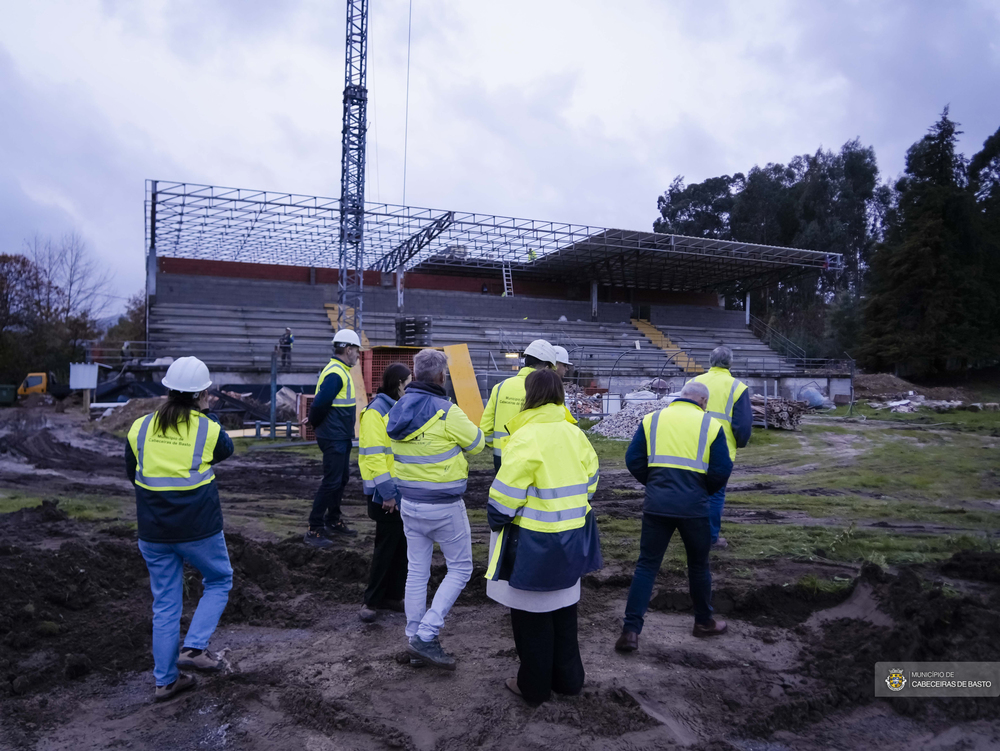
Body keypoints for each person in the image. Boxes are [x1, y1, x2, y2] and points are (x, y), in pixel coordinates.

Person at [486, 368, 602, 705]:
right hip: (573, 540)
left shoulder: (525, 436)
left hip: (533, 545)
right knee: (565, 613)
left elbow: (504, 497)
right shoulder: (575, 434)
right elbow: (591, 481)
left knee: (531, 620)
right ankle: (569, 680)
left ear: (529, 396)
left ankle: (534, 686)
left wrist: (497, 518)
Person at [125, 356, 235, 702]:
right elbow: (224, 451)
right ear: (204, 393)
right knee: (219, 579)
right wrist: (206, 415)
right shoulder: (209, 429)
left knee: (166, 604)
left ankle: (165, 681)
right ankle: (194, 647)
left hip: (153, 530)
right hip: (199, 528)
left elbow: (134, 473)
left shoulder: (139, 427)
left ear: (168, 390)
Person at [615, 381, 733, 653]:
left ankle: (630, 632)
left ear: (681, 397)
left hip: (657, 505)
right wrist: (701, 491)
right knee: (699, 566)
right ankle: (703, 622)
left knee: (646, 566)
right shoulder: (711, 425)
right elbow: (721, 470)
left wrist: (656, 485)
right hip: (694, 507)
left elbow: (633, 459)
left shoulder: (652, 420)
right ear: (703, 401)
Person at [386, 348, 485, 669]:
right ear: (442, 377)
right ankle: (426, 635)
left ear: (414, 375)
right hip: (444, 506)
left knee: (417, 571)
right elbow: (477, 444)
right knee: (460, 569)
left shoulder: (397, 410)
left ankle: (415, 638)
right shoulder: (447, 412)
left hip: (410, 504)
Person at [358, 362, 412, 623]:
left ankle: (391, 596)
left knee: (400, 545)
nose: (412, 388)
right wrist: (389, 494)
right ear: (398, 384)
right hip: (384, 494)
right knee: (386, 547)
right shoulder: (375, 413)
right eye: (409, 383)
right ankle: (371, 601)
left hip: (395, 491)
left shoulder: (394, 408)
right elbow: (375, 458)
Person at [690, 346, 752, 548]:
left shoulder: (693, 383)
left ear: (710, 361)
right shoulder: (738, 387)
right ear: (730, 363)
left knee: (693, 491)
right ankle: (710, 538)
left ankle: (690, 534)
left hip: (691, 448)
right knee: (715, 494)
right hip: (721, 450)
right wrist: (740, 442)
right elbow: (742, 425)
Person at [305, 329, 362, 547]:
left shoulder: (338, 370)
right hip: (333, 436)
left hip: (340, 435)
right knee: (331, 482)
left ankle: (332, 520)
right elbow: (320, 404)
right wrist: (313, 420)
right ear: (348, 349)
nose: (358, 355)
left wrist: (313, 419)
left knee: (341, 479)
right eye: (356, 350)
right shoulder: (336, 373)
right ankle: (314, 528)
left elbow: (322, 403)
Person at [480, 339, 558, 472]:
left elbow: (486, 429)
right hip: (535, 459)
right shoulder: (548, 390)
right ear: (546, 367)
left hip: (502, 458)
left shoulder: (500, 387)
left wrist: (500, 446)